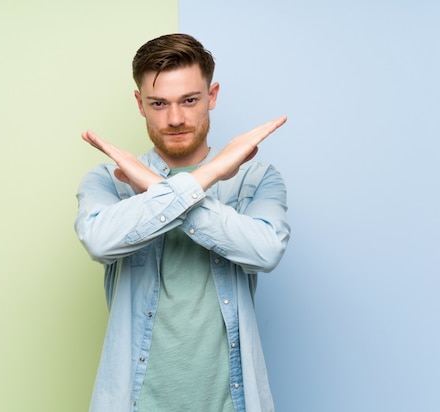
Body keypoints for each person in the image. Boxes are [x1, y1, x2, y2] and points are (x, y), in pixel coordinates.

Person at [75, 33, 290, 412]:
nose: (175, 118)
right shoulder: (110, 180)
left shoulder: (255, 179)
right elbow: (100, 242)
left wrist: (159, 189)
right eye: (159, 103)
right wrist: (208, 175)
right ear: (140, 103)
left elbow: (266, 250)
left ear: (213, 95)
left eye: (190, 100)